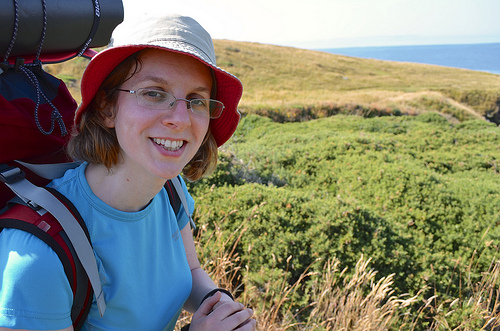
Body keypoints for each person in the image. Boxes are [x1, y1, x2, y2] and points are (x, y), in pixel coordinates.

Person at [0, 14, 256, 331]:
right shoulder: (39, 255)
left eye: (196, 100)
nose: (180, 118)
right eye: (154, 93)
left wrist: (223, 308)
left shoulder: (170, 189)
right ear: (107, 108)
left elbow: (190, 273)